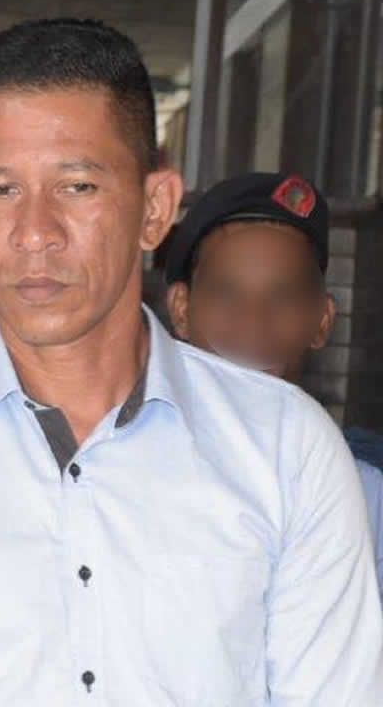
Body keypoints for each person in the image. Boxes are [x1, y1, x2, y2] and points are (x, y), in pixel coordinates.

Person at [0, 18, 383, 705]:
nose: (34, 234)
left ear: (155, 208)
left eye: (77, 186)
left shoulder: (286, 448)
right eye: (1, 191)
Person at [161, 170, 383, 602]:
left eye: (283, 297)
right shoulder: (124, 473)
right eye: (227, 294)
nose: (254, 324)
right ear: (182, 310)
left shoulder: (363, 496)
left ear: (322, 321)